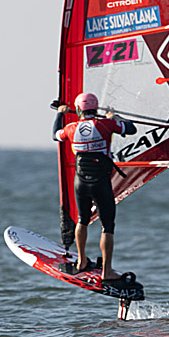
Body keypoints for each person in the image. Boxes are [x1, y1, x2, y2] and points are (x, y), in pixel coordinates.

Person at [52, 92, 136, 283]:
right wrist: (114, 117)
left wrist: (60, 114)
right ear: (95, 109)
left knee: (82, 219)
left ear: (79, 109)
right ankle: (107, 272)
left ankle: (81, 260)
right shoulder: (105, 125)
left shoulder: (71, 128)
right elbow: (131, 129)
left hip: (80, 183)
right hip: (101, 183)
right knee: (107, 226)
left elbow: (55, 135)